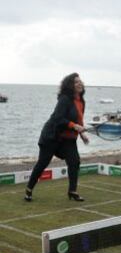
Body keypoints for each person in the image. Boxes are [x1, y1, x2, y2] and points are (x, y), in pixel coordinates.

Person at [24, 73, 89, 202]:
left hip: (68, 139)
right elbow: (58, 119)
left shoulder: (81, 101)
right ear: (70, 86)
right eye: (76, 82)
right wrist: (75, 126)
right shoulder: (65, 99)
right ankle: (29, 189)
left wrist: (82, 134)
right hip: (52, 136)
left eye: (80, 81)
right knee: (43, 163)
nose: (80, 83)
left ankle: (72, 191)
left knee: (74, 162)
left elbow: (79, 119)